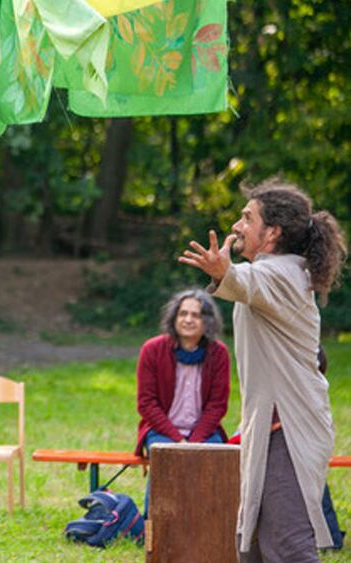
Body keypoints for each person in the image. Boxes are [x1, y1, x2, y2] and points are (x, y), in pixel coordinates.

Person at [179, 179, 347, 561]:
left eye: (246, 217)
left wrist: (226, 272)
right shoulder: (280, 272)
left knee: (288, 550)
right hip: (271, 428)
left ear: (271, 232)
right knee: (252, 548)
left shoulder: (281, 274)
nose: (237, 225)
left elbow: (246, 281)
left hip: (287, 431)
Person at [135, 288, 230, 515]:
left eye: (195, 315)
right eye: (182, 314)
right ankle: (155, 529)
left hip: (205, 432)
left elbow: (217, 405)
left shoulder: (219, 354)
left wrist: (194, 441)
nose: (188, 320)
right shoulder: (152, 349)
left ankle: (209, 527)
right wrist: (177, 439)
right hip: (161, 430)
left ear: (207, 322)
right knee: (165, 462)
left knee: (214, 466)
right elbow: (146, 404)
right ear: (174, 318)